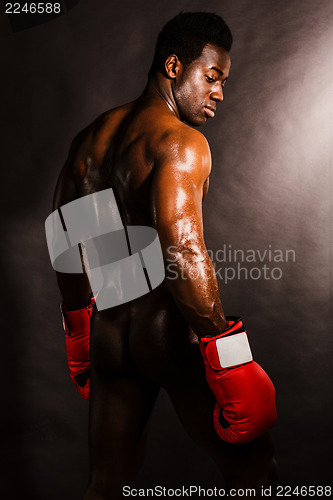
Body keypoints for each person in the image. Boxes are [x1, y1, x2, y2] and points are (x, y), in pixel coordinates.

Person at [52, 12, 278, 499]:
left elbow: (68, 242)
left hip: (111, 337)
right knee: (254, 471)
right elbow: (182, 251)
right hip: (168, 335)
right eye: (212, 77)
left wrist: (79, 335)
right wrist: (226, 351)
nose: (220, 92)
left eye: (224, 82)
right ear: (174, 66)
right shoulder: (179, 142)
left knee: (107, 485)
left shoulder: (90, 141)